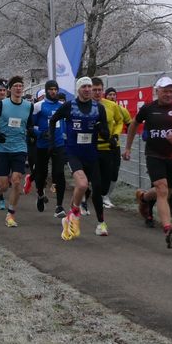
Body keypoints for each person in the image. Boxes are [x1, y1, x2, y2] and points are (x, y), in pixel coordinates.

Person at [125, 76, 172, 249]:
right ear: (157, 91)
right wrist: (128, 147)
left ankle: (143, 197)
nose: (168, 94)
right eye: (165, 91)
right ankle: (168, 229)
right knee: (162, 190)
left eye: (171, 91)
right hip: (154, 155)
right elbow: (134, 124)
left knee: (170, 188)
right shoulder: (149, 108)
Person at [48, 77, 111, 239]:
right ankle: (74, 213)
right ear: (78, 89)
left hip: (91, 154)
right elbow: (54, 120)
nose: (88, 89)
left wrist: (102, 130)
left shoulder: (99, 108)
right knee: (82, 184)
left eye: (90, 86)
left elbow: (105, 132)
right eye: (84, 87)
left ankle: (101, 223)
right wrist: (52, 142)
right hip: (73, 153)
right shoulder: (69, 106)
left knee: (97, 189)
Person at [0, 76, 34, 227]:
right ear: (10, 89)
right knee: (2, 186)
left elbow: (29, 125)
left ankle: (10, 214)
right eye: (15, 86)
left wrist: (32, 134)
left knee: (17, 180)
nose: (18, 88)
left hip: (19, 147)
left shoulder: (28, 106)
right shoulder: (2, 105)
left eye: (21, 86)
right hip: (2, 148)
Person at [90, 78, 132, 211]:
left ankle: (105, 196)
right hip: (91, 146)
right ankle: (90, 196)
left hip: (111, 145)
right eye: (94, 90)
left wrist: (115, 135)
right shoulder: (84, 106)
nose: (97, 92)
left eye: (99, 90)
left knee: (111, 173)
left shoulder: (112, 106)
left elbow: (122, 122)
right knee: (93, 175)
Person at [32, 80, 68, 217]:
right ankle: (40, 194)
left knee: (59, 173)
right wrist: (41, 133)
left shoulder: (63, 106)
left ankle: (59, 206)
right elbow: (30, 126)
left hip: (59, 145)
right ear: (46, 91)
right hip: (43, 145)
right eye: (51, 89)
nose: (53, 92)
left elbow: (66, 125)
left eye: (55, 89)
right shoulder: (38, 106)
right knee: (41, 174)